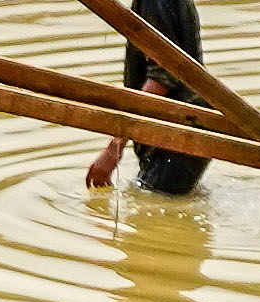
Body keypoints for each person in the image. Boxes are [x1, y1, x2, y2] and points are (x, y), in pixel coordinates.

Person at [86, 0, 212, 195]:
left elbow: (163, 78)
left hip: (177, 134)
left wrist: (114, 148)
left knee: (159, 212)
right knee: (168, 202)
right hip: (188, 130)